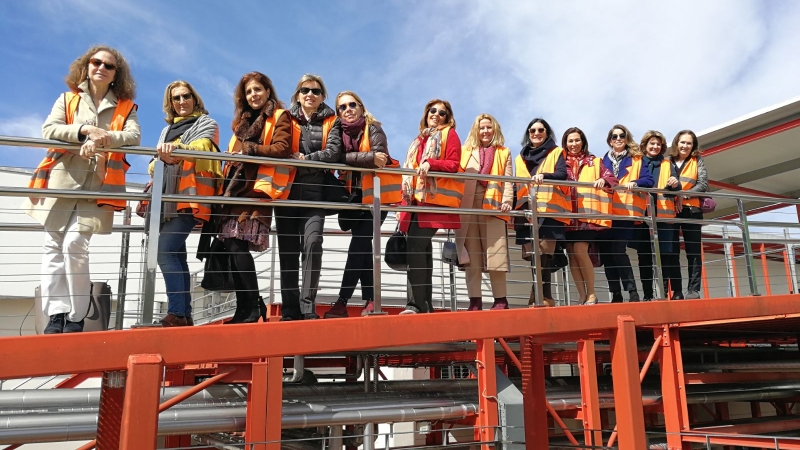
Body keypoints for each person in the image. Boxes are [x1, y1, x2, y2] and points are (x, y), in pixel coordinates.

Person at [24, 45, 140, 334]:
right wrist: (84, 132)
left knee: (75, 245)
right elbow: (49, 130)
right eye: (95, 62)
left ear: (116, 74)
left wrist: (103, 138)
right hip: (62, 182)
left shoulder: (126, 106)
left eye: (108, 65)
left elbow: (133, 136)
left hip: (98, 186)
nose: (100, 67)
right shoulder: (68, 99)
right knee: (52, 248)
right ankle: (56, 315)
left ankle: (77, 314)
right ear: (86, 66)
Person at [219, 72, 291, 323]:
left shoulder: (280, 116)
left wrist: (249, 151)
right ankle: (246, 306)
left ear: (268, 91)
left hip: (256, 189)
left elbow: (282, 149)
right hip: (235, 190)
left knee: (238, 245)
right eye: (249, 92)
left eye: (258, 89)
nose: (254, 95)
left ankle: (253, 304)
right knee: (231, 245)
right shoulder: (241, 123)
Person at [324, 91, 399, 318]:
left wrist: (344, 159)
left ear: (361, 107)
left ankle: (342, 301)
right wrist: (360, 159)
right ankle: (370, 299)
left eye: (352, 104)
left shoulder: (373, 127)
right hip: (356, 197)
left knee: (358, 244)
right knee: (363, 247)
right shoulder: (338, 132)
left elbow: (379, 157)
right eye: (342, 107)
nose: (348, 109)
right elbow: (339, 157)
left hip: (377, 198)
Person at [152, 80, 222, 327]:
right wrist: (161, 158)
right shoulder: (165, 131)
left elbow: (202, 148)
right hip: (167, 197)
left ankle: (177, 312)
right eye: (176, 98)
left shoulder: (207, 123)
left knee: (164, 251)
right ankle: (184, 314)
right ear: (170, 103)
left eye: (186, 96)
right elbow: (153, 164)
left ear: (195, 98)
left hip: (190, 197)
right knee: (177, 255)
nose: (182, 102)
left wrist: (175, 151)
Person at [277, 74, 343, 320]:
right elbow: (280, 149)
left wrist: (306, 160)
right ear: (297, 94)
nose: (310, 95)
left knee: (313, 244)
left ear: (322, 96)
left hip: (316, 193)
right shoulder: (284, 117)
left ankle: (307, 306)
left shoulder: (331, 120)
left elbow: (334, 152)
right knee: (288, 251)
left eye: (316, 91)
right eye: (305, 90)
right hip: (287, 191)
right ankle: (290, 309)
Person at [398, 99, 463, 314]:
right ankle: (425, 305)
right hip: (416, 201)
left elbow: (454, 164)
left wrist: (431, 163)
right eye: (432, 111)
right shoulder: (419, 140)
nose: (436, 114)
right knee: (422, 249)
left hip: (435, 201)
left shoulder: (449, 134)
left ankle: (414, 304)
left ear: (448, 117)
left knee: (415, 246)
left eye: (442, 113)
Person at [454, 114, 513, 311]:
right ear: (476, 131)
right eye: (482, 128)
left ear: (494, 129)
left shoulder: (504, 152)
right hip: (468, 205)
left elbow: (508, 180)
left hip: (493, 206)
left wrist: (507, 201)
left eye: (489, 127)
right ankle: (475, 300)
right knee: (472, 256)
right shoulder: (465, 151)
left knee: (496, 254)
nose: (485, 131)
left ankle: (500, 300)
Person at [514, 118, 569, 307]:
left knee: (543, 255)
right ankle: (542, 296)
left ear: (547, 133)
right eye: (532, 130)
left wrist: (544, 176)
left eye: (540, 130)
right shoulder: (520, 157)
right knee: (532, 256)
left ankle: (541, 297)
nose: (536, 133)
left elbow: (563, 175)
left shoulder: (556, 152)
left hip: (549, 210)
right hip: (526, 210)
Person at [561, 127, 617, 305]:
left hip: (586, 216)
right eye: (570, 141)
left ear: (583, 141)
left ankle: (592, 293)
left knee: (580, 250)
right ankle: (581, 295)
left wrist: (604, 180)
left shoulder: (594, 161)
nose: (574, 144)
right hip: (566, 215)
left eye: (577, 140)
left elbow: (612, 178)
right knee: (571, 254)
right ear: (565, 143)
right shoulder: (559, 161)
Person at [598, 124, 654, 303]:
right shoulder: (601, 161)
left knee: (618, 250)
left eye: (622, 135)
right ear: (609, 141)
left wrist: (636, 183)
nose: (618, 139)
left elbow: (649, 180)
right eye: (614, 137)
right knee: (607, 254)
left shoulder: (638, 159)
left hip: (626, 213)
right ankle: (615, 294)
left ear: (627, 138)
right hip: (606, 213)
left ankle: (632, 292)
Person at [628, 131, 681, 300]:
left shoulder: (667, 164)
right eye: (652, 143)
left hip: (663, 216)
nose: (655, 147)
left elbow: (675, 187)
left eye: (658, 144)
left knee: (664, 256)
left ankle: (663, 293)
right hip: (642, 215)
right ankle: (648, 295)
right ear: (645, 145)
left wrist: (675, 183)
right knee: (644, 257)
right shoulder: (637, 162)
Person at [666, 130, 707, 299]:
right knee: (672, 251)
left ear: (693, 146)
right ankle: (677, 291)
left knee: (693, 251)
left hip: (692, 211)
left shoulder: (697, 161)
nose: (685, 146)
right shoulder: (666, 162)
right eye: (682, 142)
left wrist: (683, 195)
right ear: (677, 143)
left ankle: (693, 290)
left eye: (689, 143)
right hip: (671, 211)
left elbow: (702, 184)